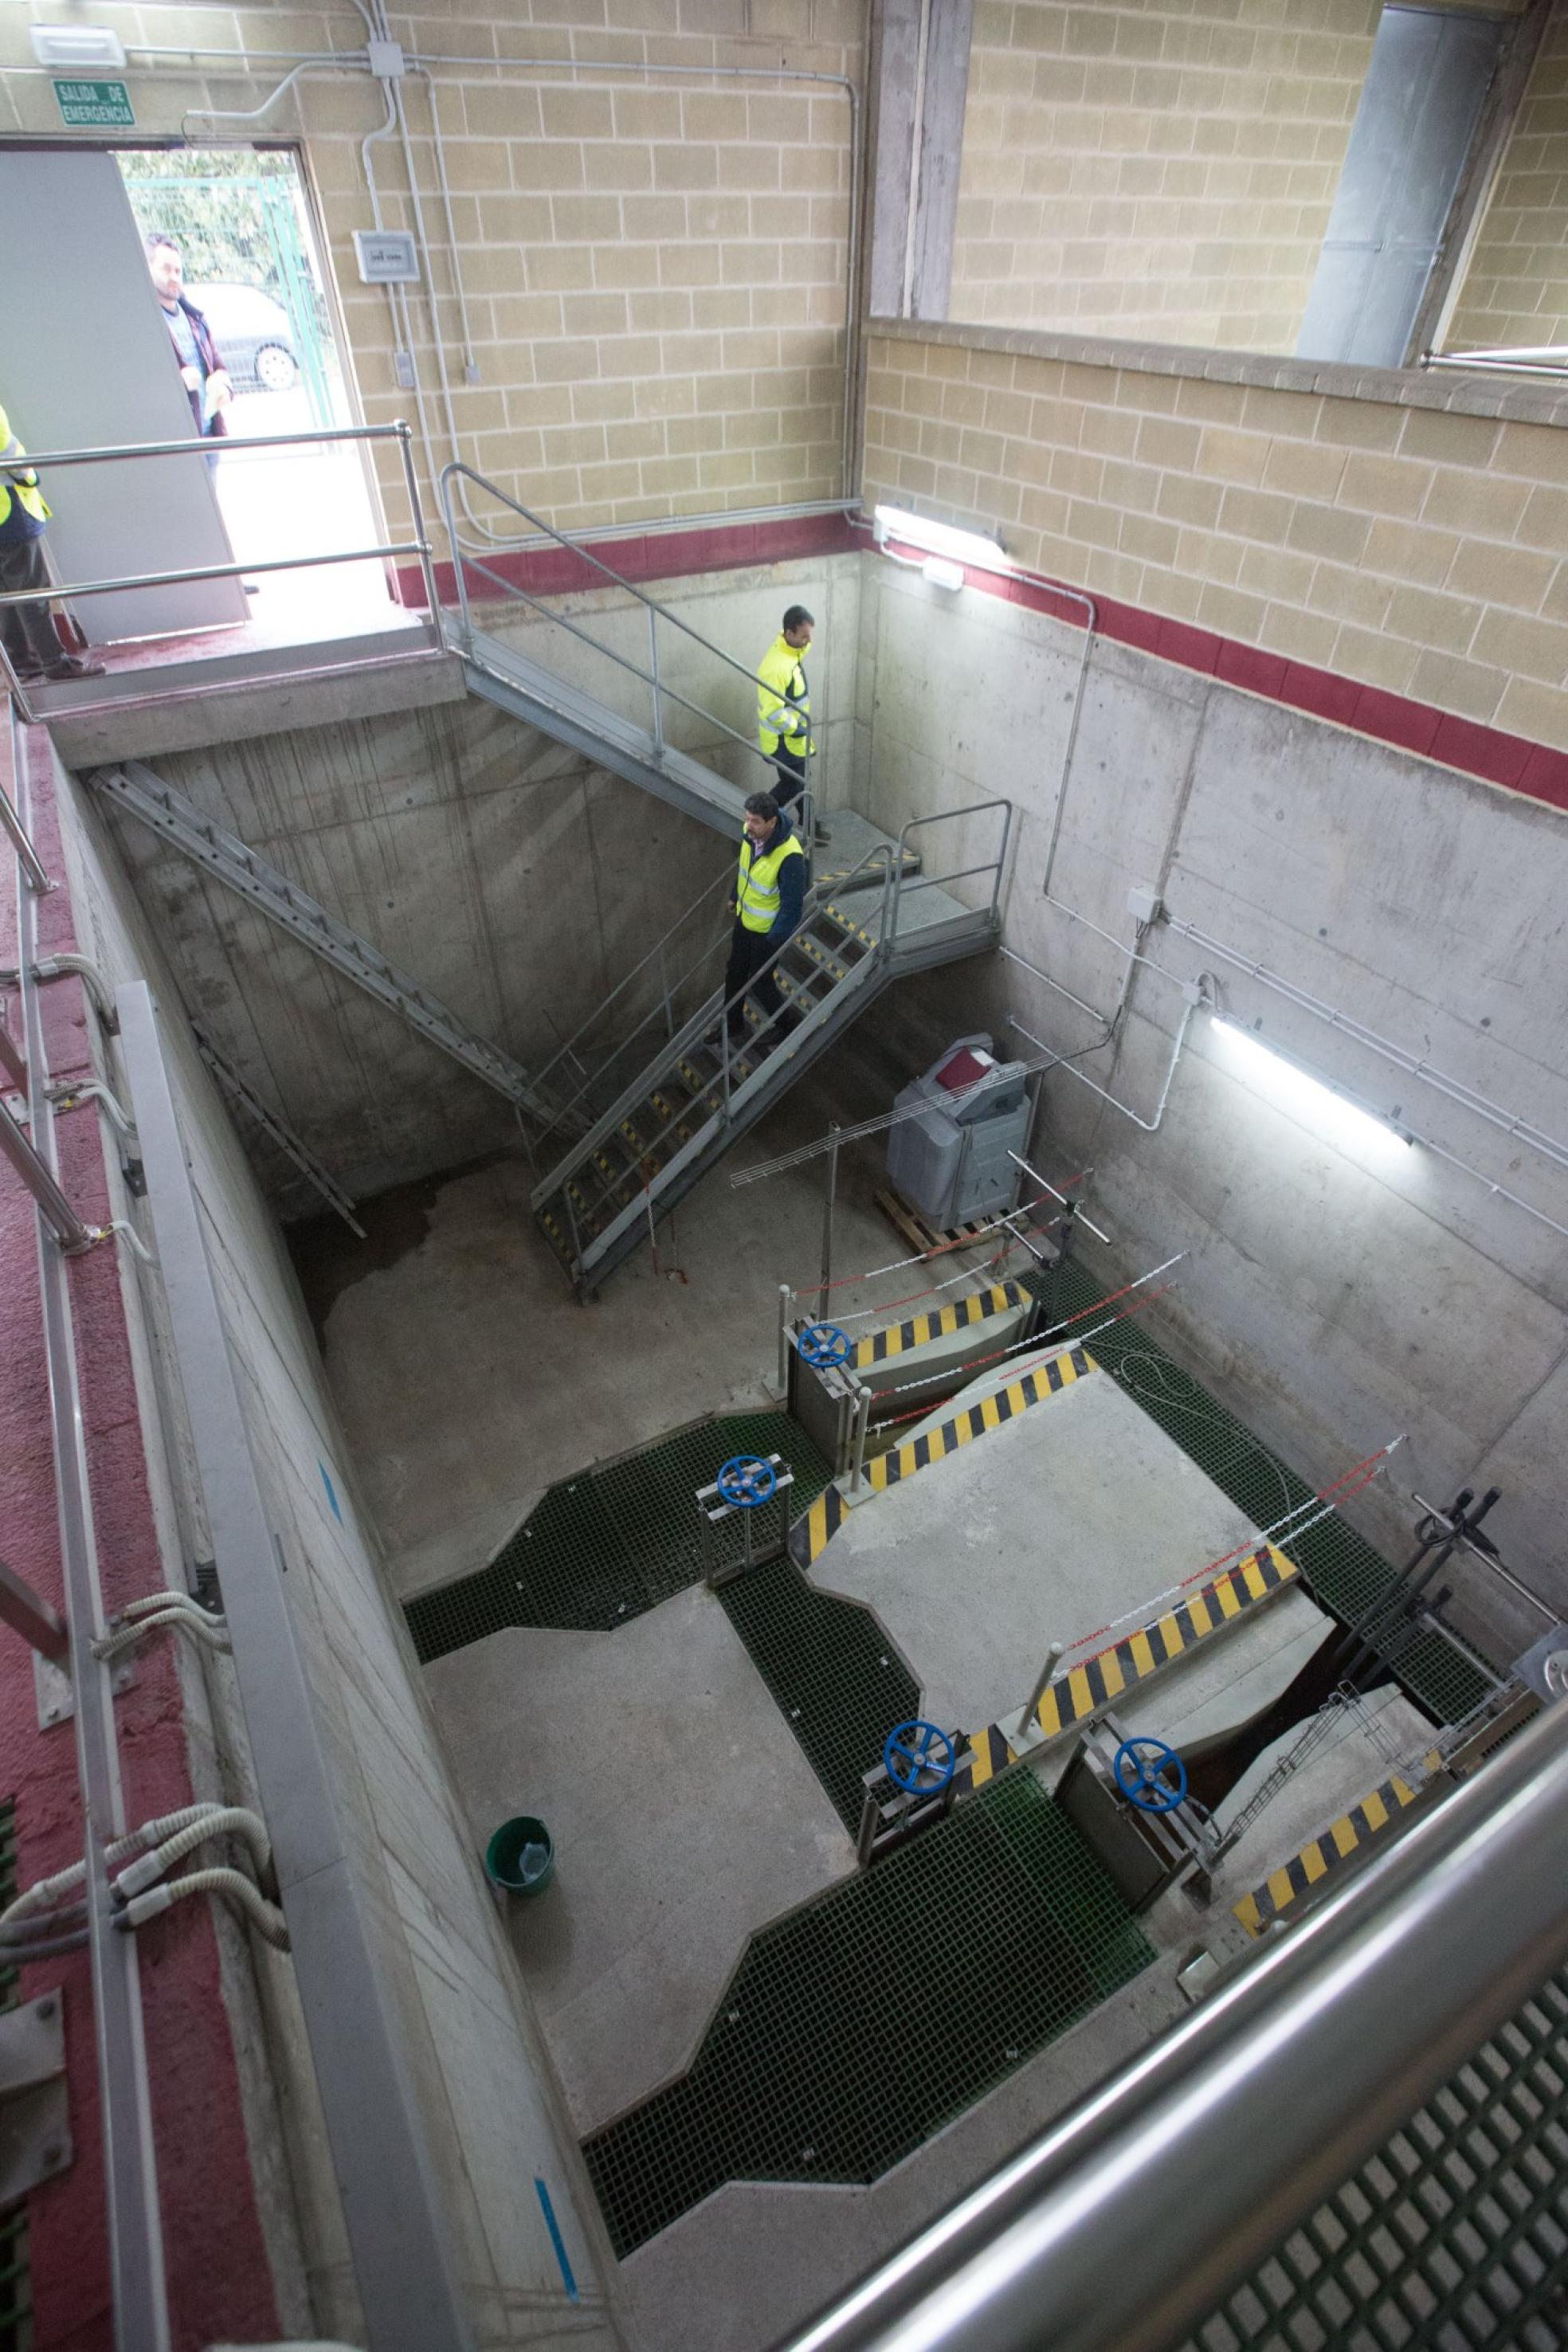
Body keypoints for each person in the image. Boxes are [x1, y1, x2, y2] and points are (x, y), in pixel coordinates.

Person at [0, 400, 104, 688]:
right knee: (32, 591)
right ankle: (54, 663)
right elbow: (9, 454)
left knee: (5, 597)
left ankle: (22, 664)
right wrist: (32, 477)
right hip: (8, 511)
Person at [723, 790, 806, 1053]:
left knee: (760, 981)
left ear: (772, 822)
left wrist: (773, 941)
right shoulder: (749, 834)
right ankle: (732, 1024)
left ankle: (788, 1024)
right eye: (748, 819)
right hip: (744, 921)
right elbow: (745, 869)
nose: (749, 825)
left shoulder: (790, 855)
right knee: (734, 973)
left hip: (767, 934)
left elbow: (792, 907)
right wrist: (735, 896)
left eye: (756, 821)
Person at [145, 235, 232, 465]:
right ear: (148, 269)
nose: (174, 277)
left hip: (209, 437)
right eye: (166, 269)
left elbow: (219, 367)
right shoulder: (146, 324)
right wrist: (177, 382)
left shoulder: (195, 318)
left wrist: (223, 386)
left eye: (178, 271)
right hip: (175, 447)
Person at [757, 604, 816, 819]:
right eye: (804, 636)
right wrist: (798, 729)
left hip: (792, 739)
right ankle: (758, 818)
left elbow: (804, 647)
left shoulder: (793, 651)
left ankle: (811, 827)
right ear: (789, 633)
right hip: (784, 741)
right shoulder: (776, 668)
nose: (808, 642)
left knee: (800, 782)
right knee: (793, 784)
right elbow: (773, 712)